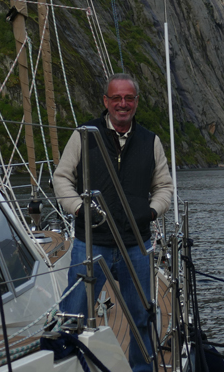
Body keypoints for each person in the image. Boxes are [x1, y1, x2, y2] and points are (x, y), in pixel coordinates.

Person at [54, 72, 173, 372]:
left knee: (141, 315)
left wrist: (151, 212)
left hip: (137, 243)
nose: (123, 104)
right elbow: (62, 178)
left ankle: (142, 369)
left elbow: (164, 187)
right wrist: (80, 210)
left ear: (136, 102)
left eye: (129, 98)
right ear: (106, 101)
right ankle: (68, 365)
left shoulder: (150, 141)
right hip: (91, 243)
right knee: (75, 312)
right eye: (116, 98)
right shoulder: (84, 134)